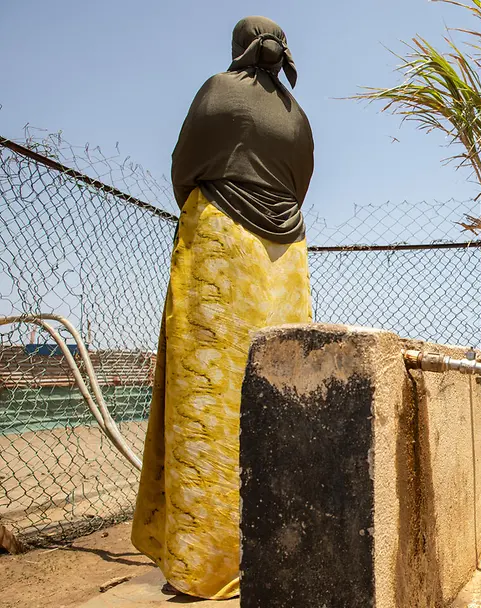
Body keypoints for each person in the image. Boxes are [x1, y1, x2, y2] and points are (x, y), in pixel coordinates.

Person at [131, 16, 314, 600]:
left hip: (220, 253)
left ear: (238, 48)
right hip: (285, 262)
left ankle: (204, 565)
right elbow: (299, 185)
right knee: (276, 400)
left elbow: (184, 170)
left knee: (206, 402)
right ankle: (274, 552)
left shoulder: (218, 91)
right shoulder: (297, 115)